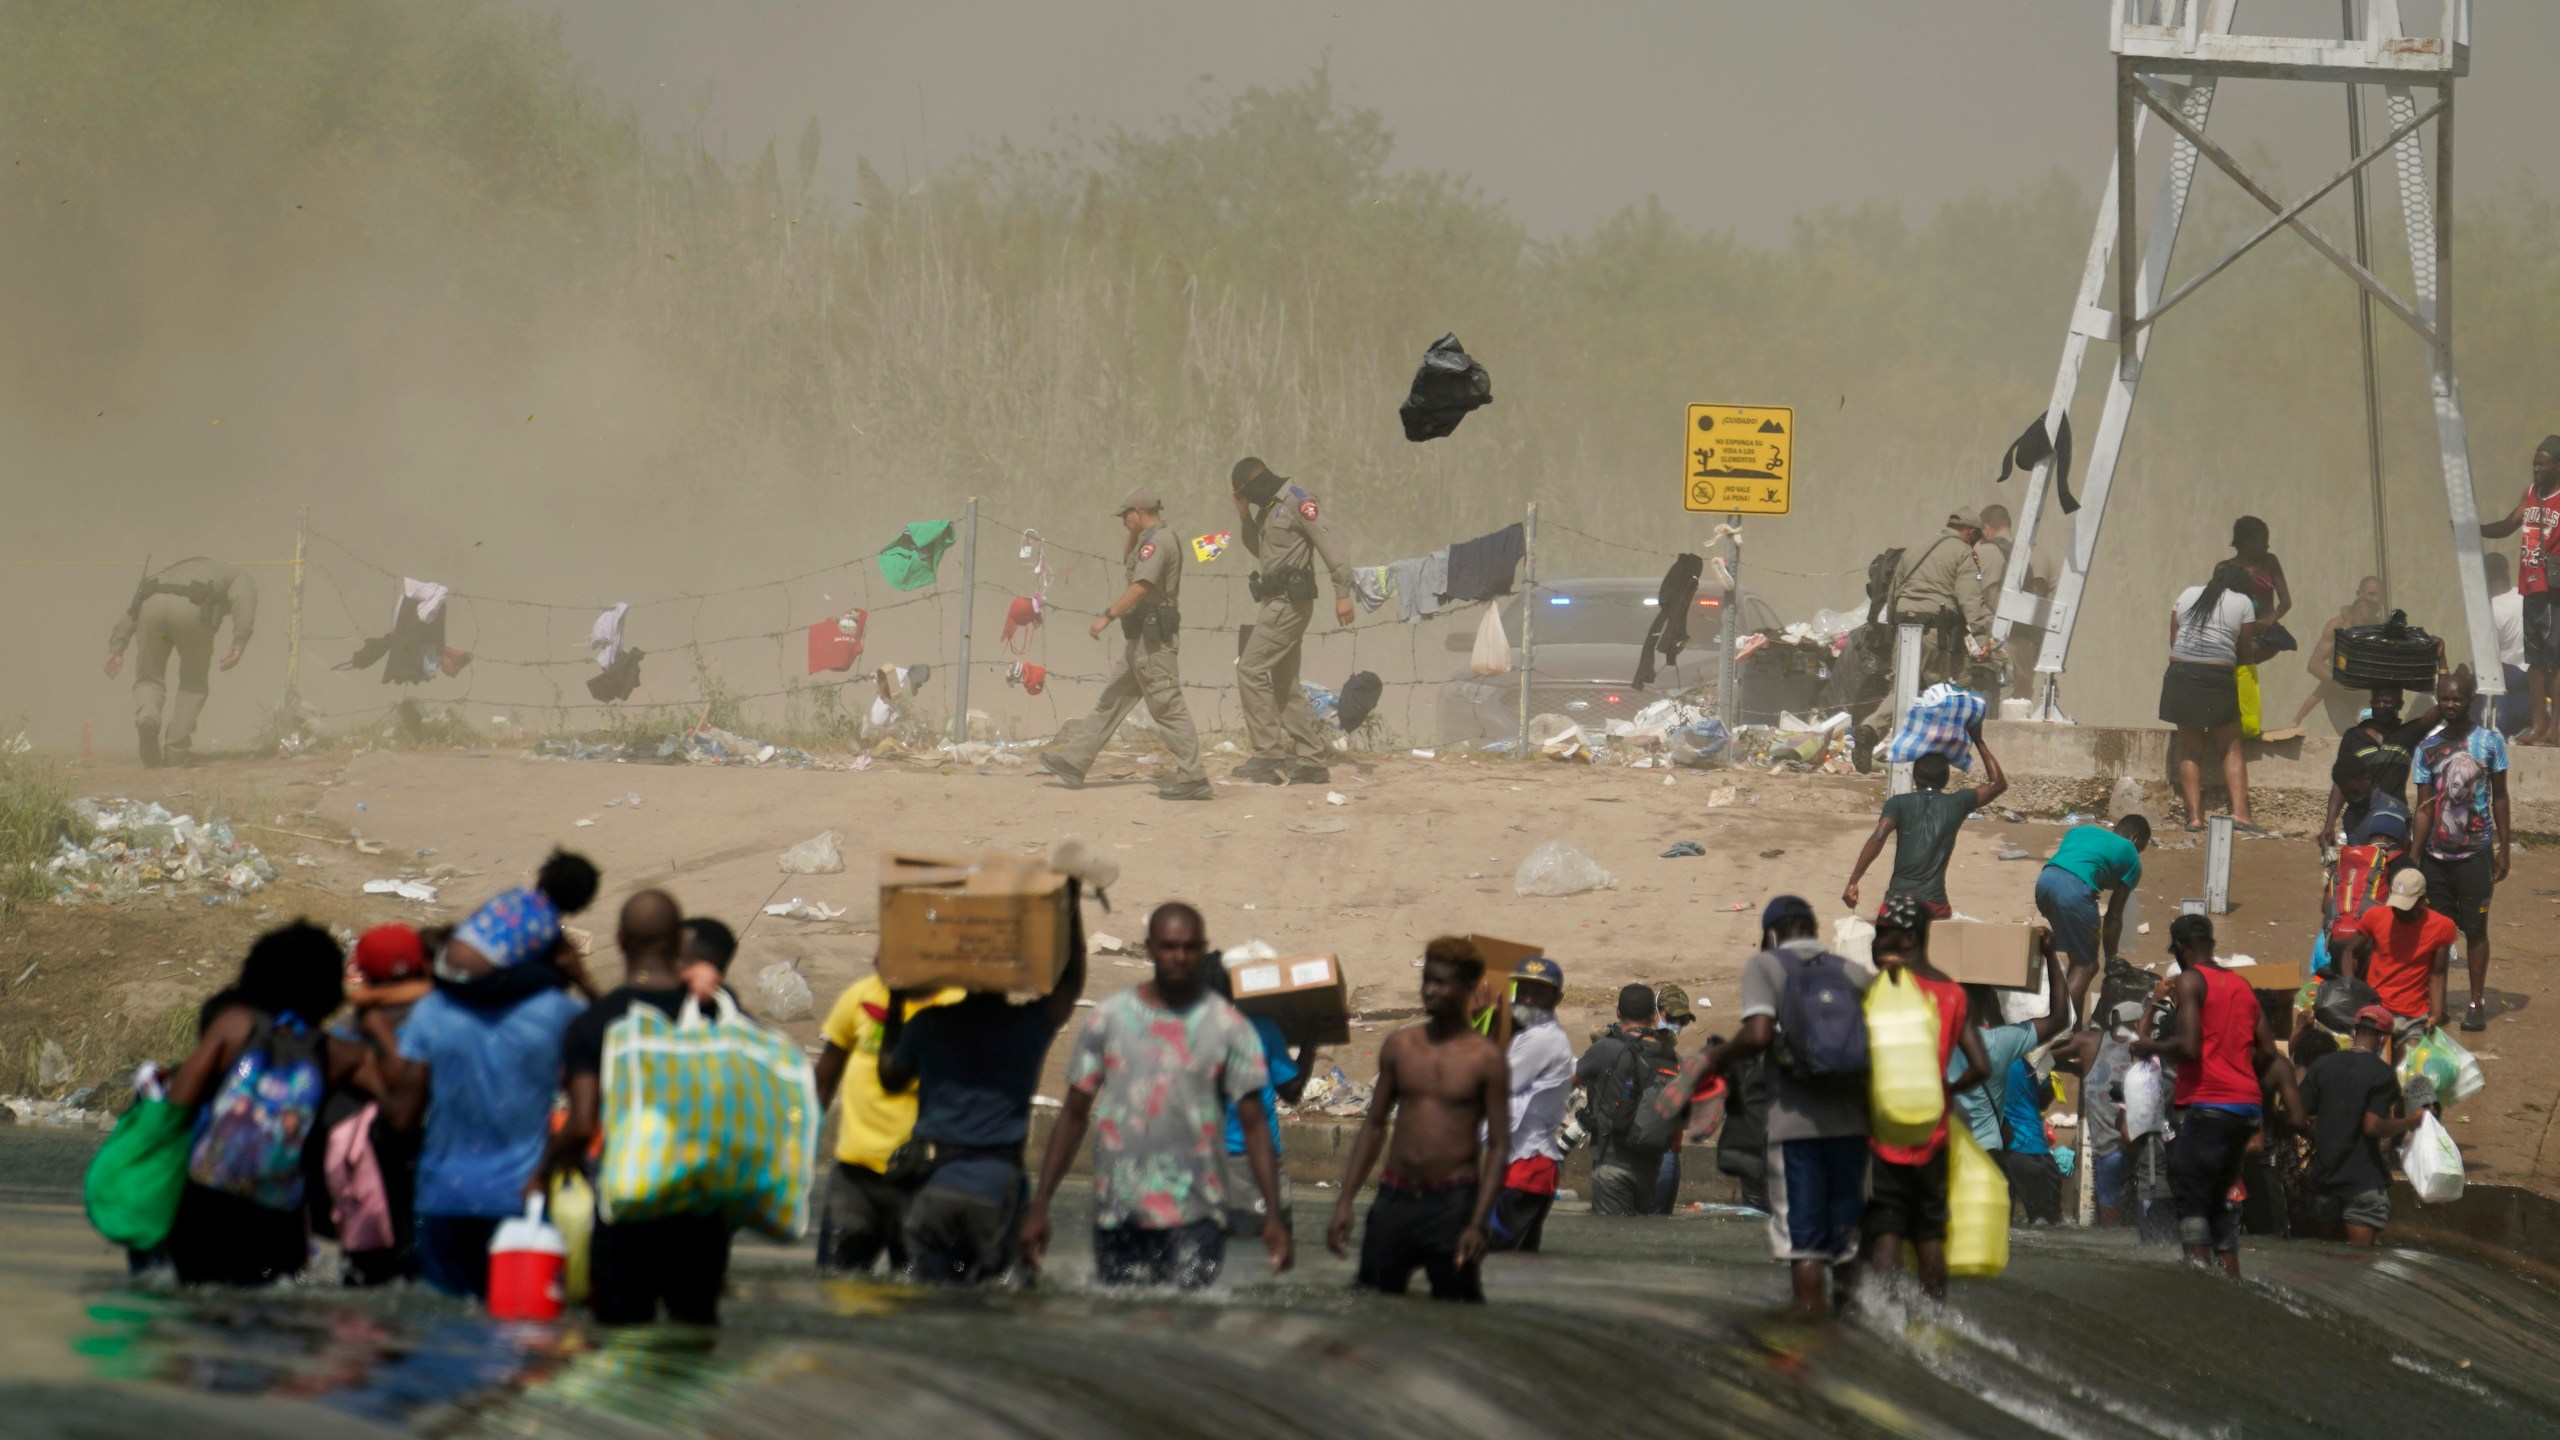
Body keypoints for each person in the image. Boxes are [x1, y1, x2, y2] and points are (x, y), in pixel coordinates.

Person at [1026, 902, 1287, 1287]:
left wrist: (1275, 1217)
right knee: (1120, 1328)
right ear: (1149, 947)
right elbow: (1074, 1113)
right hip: (1119, 1210)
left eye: (1188, 947)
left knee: (1187, 1327)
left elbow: (1254, 1124)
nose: (1178, 957)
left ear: (1202, 949)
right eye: (1168, 946)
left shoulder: (1229, 1028)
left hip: (1199, 1213)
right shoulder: (1109, 1018)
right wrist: (1040, 1204)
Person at [374, 864, 592, 1301]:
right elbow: (612, 1045)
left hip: (441, 1198)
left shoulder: (434, 1010)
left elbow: (403, 1118)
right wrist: (583, 979)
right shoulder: (559, 1014)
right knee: (513, 1336)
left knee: (443, 1333)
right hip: (518, 1201)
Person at [541, 890, 739, 1325]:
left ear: (619, 938)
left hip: (627, 1205)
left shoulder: (595, 1024)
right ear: (679, 942)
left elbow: (581, 1126)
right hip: (701, 1207)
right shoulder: (712, 1009)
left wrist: (541, 1176)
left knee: (621, 1335)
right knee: (695, 1332)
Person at [879, 894, 1089, 1286]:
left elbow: (890, 1078)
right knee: (993, 1303)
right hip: (995, 1189)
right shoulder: (1028, 1025)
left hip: (933, 1185)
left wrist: (895, 998)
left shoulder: (929, 1024)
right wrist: (1071, 905)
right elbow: (1071, 983)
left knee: (926, 1300)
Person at [162, 921, 372, 1286]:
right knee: (273, 1312)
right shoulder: (339, 1054)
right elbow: (402, 1095)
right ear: (329, 986)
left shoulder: (234, 1025)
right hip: (278, 1218)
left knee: (199, 1308)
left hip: (206, 1206)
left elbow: (177, 1101)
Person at [1700, 895, 1872, 1317]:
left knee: (1806, 1245)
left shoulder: (1766, 966)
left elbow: (1758, 1034)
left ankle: (1809, 1335)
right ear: (1813, 930)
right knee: (1847, 1245)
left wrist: (1715, 1058)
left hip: (1797, 1130)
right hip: (1853, 1129)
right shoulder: (1853, 972)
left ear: (1772, 933)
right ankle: (1855, 1334)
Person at [1328, 938, 1509, 1302]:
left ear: (1469, 989)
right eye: (1426, 979)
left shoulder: (1485, 1059)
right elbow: (1375, 1123)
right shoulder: (1401, 1046)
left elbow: (1500, 1145)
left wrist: (1478, 1222)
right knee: (1369, 1304)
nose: (1428, 990)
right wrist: (1345, 1200)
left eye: (1440, 983)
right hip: (1394, 1201)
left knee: (1458, 1312)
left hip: (1453, 1206)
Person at [2132, 914, 2299, 1278]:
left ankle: (2199, 1289)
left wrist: (2150, 1044)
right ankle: (2230, 1283)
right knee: (2221, 1207)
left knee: (2193, 1203)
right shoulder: (2241, 985)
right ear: (2212, 944)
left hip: (2209, 1107)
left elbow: (2189, 1046)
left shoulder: (2191, 980)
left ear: (2179, 948)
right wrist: (2238, 1070)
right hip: (2244, 1108)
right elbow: (2268, 1049)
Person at [1856, 896, 1991, 1301]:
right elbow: (1981, 1066)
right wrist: (1945, 1091)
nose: (1877, 940)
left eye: (1884, 932)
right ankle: (1934, 1316)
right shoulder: (1953, 992)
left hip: (1883, 1131)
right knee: (1930, 1231)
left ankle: (1885, 1312)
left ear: (1909, 937)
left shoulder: (1886, 987)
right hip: (1933, 1132)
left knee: (1886, 1226)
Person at [1039, 488, 1212, 801]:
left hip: (1154, 643)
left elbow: (1141, 586)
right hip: (1140, 643)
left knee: (1168, 707)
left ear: (1139, 512)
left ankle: (1193, 776)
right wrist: (1133, 534)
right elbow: (1128, 562)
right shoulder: (1148, 540)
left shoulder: (1159, 542)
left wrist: (1107, 616)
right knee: (1112, 700)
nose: (1123, 522)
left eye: (1125, 516)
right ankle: (1074, 763)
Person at [812, 966, 961, 1275]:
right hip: (855, 1175)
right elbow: (823, 1081)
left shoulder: (956, 1004)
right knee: (837, 1281)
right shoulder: (860, 996)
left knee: (917, 1291)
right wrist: (798, 1149)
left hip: (923, 1177)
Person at [1230, 456, 1356, 786]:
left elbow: (1331, 542)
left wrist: (1343, 592)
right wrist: (1243, 515)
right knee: (1284, 682)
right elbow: (1259, 549)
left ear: (1254, 483)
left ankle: (1268, 754)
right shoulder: (1268, 509)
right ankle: (1312, 759)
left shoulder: (1298, 501)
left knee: (1250, 669)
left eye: (1245, 493)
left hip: (1289, 603)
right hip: (1275, 602)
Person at [2411, 667, 2510, 1032]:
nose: (2450, 704)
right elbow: (2423, 808)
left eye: (2457, 698)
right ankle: (2437, 1005)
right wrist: (2414, 857)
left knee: (2476, 929)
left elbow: (2499, 797)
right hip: (2436, 858)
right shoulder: (2426, 748)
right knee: (2437, 933)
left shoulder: (2490, 742)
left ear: (2470, 700)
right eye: (2445, 698)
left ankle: (2476, 1002)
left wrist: (2504, 848)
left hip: (2476, 855)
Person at [1856, 509, 1995, 768]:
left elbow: (1894, 591)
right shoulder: (1964, 554)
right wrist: (1982, 636)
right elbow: (1971, 599)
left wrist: (1893, 631)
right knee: (1950, 688)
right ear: (1972, 533)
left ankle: (1870, 730)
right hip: (1937, 633)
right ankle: (1939, 757)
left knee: (1902, 689)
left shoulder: (1916, 547)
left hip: (1905, 628)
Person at [1950, 935, 2071, 1219]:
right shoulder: (1999, 1043)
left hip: (1945, 1154)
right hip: (1989, 1155)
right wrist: (2050, 955)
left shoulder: (1935, 1041)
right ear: (1987, 1006)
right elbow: (2060, 1018)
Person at [1202, 952, 1320, 1241]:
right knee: (1270, 1252)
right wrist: (1312, 1038)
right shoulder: (1260, 1029)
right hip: (1254, 1166)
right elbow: (1292, 1092)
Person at [104, 556, 258, 766]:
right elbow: (244, 600)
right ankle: (176, 751)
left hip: (151, 606)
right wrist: (238, 643)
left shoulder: (170, 569)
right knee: (193, 683)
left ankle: (148, 717)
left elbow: (137, 604)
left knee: (148, 677)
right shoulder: (238, 574)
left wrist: (117, 647)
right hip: (192, 610)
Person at [1842, 723, 2008, 918]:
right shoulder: (1956, 803)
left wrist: (1853, 881)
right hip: (1934, 904)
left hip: (1897, 902)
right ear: (1946, 779)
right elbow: (1998, 783)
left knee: (1887, 947)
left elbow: (1878, 837)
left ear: (1915, 777)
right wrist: (1979, 741)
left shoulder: (1899, 803)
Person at [2298, 1005, 2427, 1245]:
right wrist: (2410, 1121)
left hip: (2325, 1178)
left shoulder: (2323, 1066)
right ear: (2384, 1038)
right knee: (2359, 1264)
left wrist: (2323, 1136)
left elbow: (2298, 1114)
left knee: (2328, 1260)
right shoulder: (2382, 1074)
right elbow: (2373, 1126)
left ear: (2353, 1030)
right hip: (2362, 1181)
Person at [2161, 559, 2271, 833]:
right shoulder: (2243, 603)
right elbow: (2244, 650)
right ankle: (2241, 816)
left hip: (2180, 676)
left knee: (2189, 749)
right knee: (2230, 747)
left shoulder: (2187, 594)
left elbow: (2175, 638)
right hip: (2216, 679)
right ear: (2241, 586)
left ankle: (2195, 818)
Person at [2478, 434, 2560, 745]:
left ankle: (2555, 729)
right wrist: (2476, 529)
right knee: (2536, 662)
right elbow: (2509, 524)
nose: (2536, 470)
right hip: (2530, 586)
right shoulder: (2530, 494)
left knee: (2556, 661)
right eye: (2534, 464)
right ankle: (2539, 726)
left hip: (2555, 591)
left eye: (2543, 464)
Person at [1488, 957, 1573, 1253]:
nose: (1528, 999)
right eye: (1523, 990)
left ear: (1557, 999)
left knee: (1489, 1255)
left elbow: (1495, 1085)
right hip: (1526, 1167)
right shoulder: (1531, 1036)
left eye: (1538, 993)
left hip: (1525, 1168)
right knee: (1516, 1265)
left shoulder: (1541, 1040)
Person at [1574, 984, 1681, 1215]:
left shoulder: (1604, 1048)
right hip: (1652, 1169)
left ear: (1617, 1012)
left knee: (1611, 1244)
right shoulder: (1668, 1055)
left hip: (1611, 1167)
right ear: (1653, 1016)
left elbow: (1566, 1083)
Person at [2033, 815, 2149, 1028]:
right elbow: (2114, 916)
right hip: (2074, 891)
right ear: (2134, 839)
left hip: (2044, 883)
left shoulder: (2081, 831)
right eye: (2141, 847)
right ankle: (2061, 1029)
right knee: (2087, 965)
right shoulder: (2131, 854)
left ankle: (2073, 1028)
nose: (2138, 853)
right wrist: (2111, 958)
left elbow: (2075, 862)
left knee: (2076, 959)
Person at [2319, 686, 2434, 850]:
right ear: (2371, 704)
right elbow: (2340, 781)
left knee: (2389, 866)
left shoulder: (2406, 735)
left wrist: (2443, 668)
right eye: (2377, 702)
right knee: (2363, 867)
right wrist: (2329, 824)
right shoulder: (2354, 737)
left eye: (2387, 702)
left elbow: (2439, 711)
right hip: (2360, 817)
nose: (2381, 706)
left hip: (2394, 816)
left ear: (2399, 705)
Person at [2349, 868, 2456, 1029]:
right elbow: (2349, 951)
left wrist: (2436, 1014)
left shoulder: (2442, 927)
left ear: (2422, 900)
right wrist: (2350, 988)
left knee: (2415, 1052)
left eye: (2407, 906)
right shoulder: (2375, 916)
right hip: (2377, 1008)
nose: (2399, 911)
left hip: (2414, 1014)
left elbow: (2438, 974)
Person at [2282, 575, 2385, 737]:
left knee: (2371, 734)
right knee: (2352, 737)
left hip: (2366, 698)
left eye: (2379, 597)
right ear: (2359, 594)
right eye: (2371, 594)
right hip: (2338, 694)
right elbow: (2314, 664)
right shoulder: (2338, 625)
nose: (2375, 600)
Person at [2227, 516, 2293, 740]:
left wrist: (2270, 619)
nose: (2267, 546)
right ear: (2245, 541)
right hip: (2238, 633)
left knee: (2244, 657)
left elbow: (2286, 602)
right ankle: (2236, 720)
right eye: (2263, 540)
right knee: (2230, 664)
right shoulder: (2224, 568)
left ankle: (2247, 723)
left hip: (2267, 633)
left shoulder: (2270, 562)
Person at [2484, 553, 2534, 735]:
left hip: (2508, 681)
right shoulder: (2525, 597)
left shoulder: (2492, 610)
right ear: (2506, 571)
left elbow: (2490, 663)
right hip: (2534, 681)